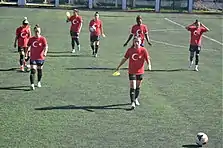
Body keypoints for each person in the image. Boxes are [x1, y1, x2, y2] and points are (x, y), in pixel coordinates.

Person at [116, 37, 151, 110]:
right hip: (132, 71)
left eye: (138, 41)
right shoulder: (130, 50)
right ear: (133, 42)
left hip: (140, 71)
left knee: (138, 87)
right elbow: (125, 58)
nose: (137, 43)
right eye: (135, 42)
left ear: (140, 42)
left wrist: (149, 65)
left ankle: (136, 98)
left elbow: (147, 58)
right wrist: (119, 66)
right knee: (133, 86)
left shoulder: (143, 50)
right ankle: (132, 102)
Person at [27, 25, 48, 90]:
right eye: (36, 31)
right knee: (33, 70)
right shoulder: (31, 39)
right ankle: (32, 84)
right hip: (33, 57)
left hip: (40, 58)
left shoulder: (42, 39)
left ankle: (38, 82)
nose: (37, 32)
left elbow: (46, 46)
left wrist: (45, 52)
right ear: (34, 31)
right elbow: (28, 46)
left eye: (38, 31)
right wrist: (27, 53)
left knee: (39, 70)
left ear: (40, 31)